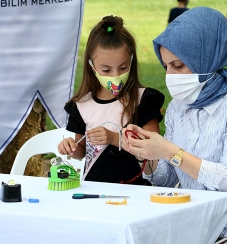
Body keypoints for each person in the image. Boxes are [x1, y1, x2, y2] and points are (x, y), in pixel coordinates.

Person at [122, 7, 227, 243]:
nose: (170, 75)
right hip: (195, 227)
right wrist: (145, 155)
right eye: (166, 66)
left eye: (178, 66)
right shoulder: (179, 107)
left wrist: (170, 151)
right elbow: (168, 179)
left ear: (206, 58)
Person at [57, 15, 165, 185]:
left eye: (123, 68)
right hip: (93, 191)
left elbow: (154, 157)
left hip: (136, 193)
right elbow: (82, 152)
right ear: (92, 66)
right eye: (106, 70)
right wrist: (70, 148)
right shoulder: (81, 106)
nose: (116, 76)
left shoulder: (144, 100)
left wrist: (114, 138)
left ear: (131, 61)